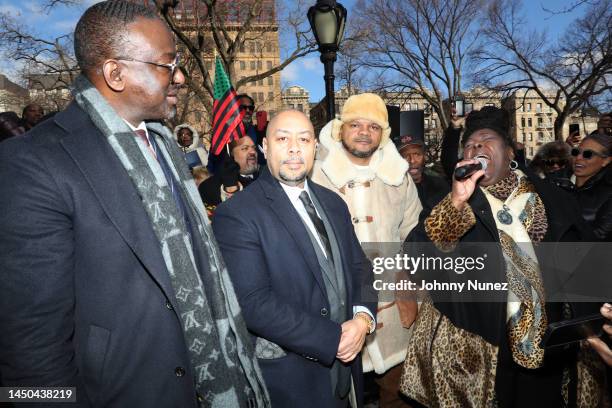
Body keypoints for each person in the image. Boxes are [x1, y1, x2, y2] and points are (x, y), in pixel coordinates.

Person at [0, 2, 269, 406]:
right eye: (166, 64)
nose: (179, 76)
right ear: (115, 73)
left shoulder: (166, 146)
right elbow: (28, 344)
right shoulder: (34, 162)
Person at [399, 107, 607, 407]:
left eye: (486, 140)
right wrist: (456, 202)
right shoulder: (453, 201)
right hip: (478, 348)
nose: (476, 147)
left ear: (510, 152)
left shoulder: (555, 198)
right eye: (469, 145)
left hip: (550, 346)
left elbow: (589, 264)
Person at [213, 110, 377, 408]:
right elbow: (253, 303)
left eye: (303, 139)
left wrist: (363, 319)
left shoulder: (334, 203)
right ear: (264, 147)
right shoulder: (237, 214)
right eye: (282, 138)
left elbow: (360, 267)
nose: (293, 148)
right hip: (291, 384)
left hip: (346, 376)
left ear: (315, 147)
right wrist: (333, 339)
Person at [311, 93, 422, 407]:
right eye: (355, 124)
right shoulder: (315, 175)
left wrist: (409, 284)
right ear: (340, 130)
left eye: (373, 127)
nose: (363, 132)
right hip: (338, 310)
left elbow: (412, 235)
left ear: (383, 134)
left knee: (398, 394)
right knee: (341, 396)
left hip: (394, 308)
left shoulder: (399, 177)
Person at [394, 112, 449, 214]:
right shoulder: (392, 190)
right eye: (405, 156)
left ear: (424, 156)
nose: (412, 160)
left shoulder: (440, 186)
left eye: (417, 154)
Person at [567, 133, 612, 241]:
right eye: (576, 152)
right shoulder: (556, 182)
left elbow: (598, 236)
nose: (578, 158)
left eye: (588, 154)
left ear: (606, 161)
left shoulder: (609, 194)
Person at [198, 134, 259, 209]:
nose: (253, 152)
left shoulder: (267, 175)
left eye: (254, 148)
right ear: (231, 154)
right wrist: (230, 189)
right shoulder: (208, 187)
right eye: (245, 148)